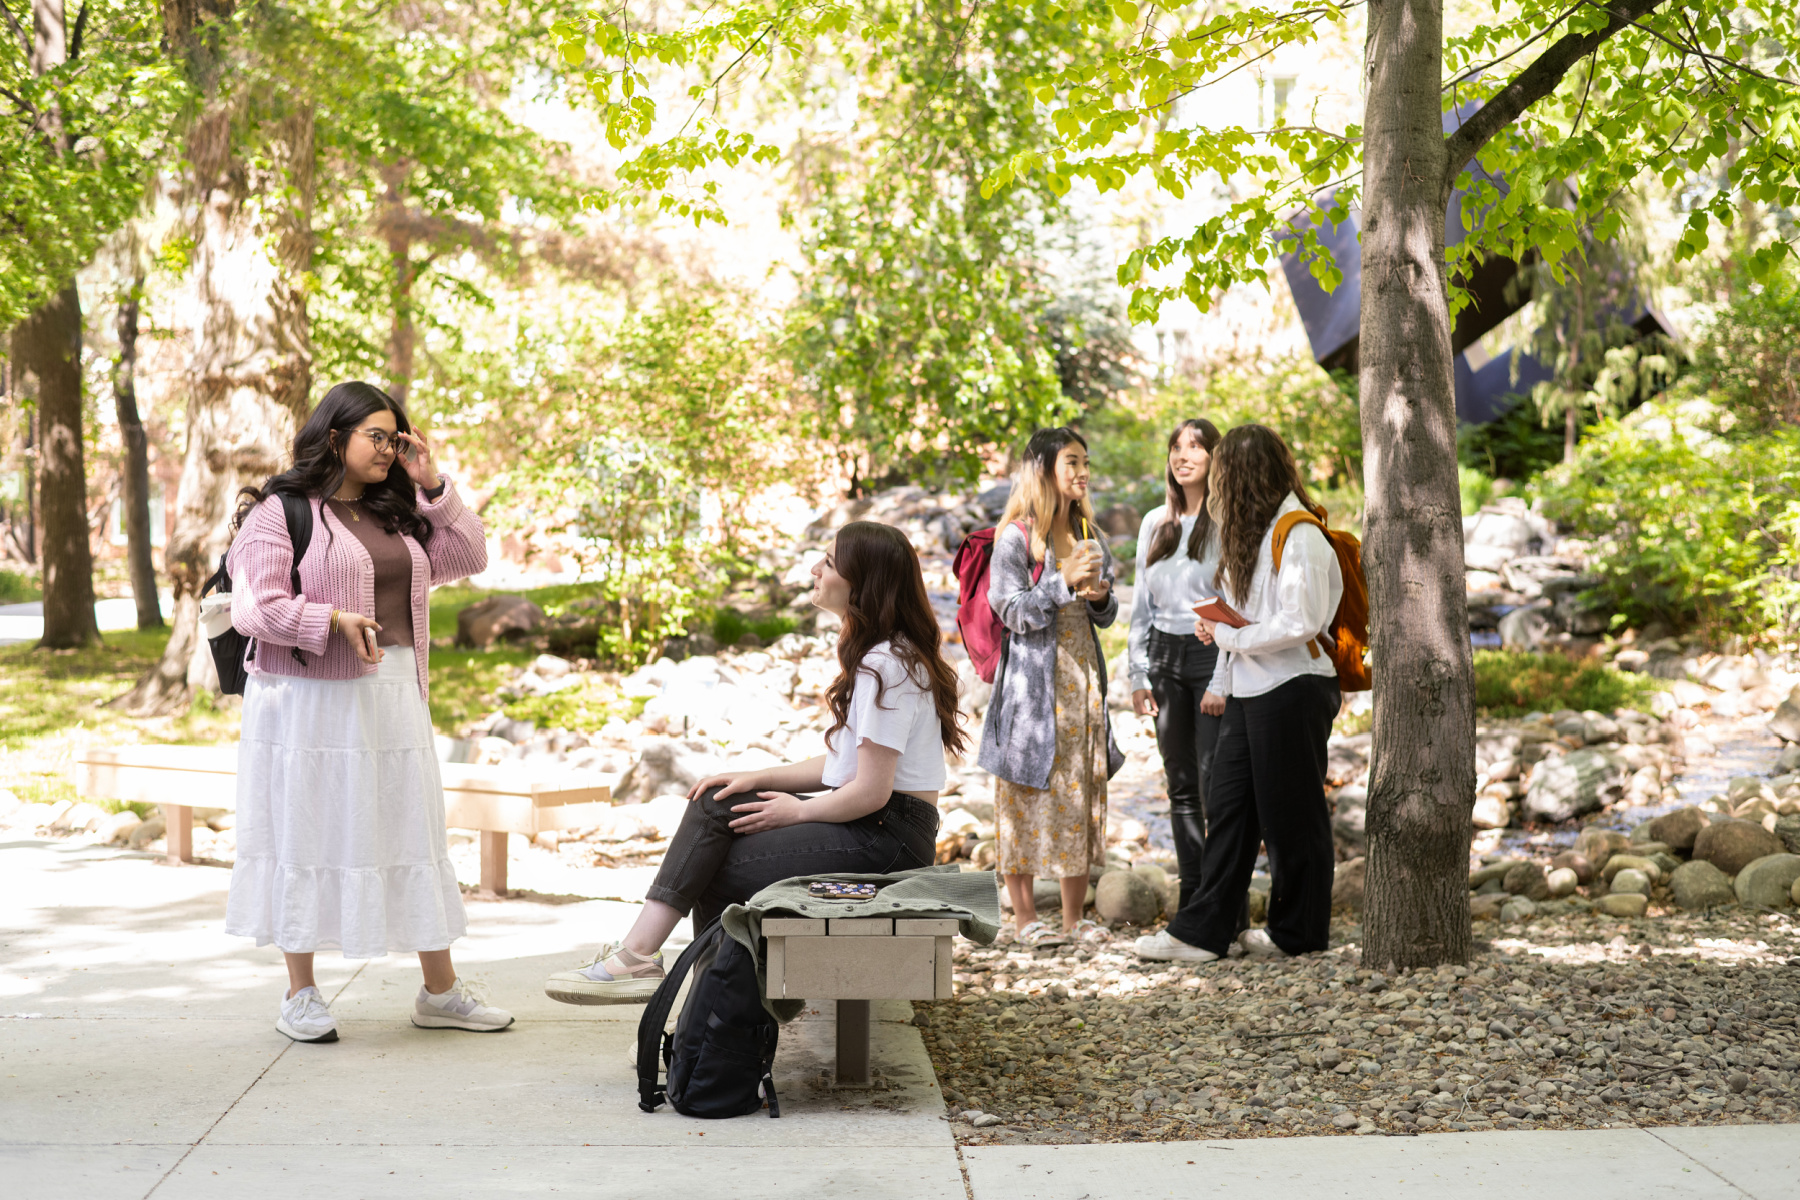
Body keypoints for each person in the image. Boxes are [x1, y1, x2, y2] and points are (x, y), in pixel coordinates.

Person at [544, 520, 959, 1003]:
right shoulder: (887, 656)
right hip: (881, 827)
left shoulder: (884, 665)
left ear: (861, 582)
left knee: (715, 867)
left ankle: (695, 1011)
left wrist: (798, 810)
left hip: (888, 840)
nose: (814, 569)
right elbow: (843, 765)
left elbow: (870, 790)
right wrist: (755, 776)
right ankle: (664, 983)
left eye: (827, 562)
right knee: (718, 800)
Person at [225, 380, 513, 1043]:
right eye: (376, 437)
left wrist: (433, 484)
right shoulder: (282, 511)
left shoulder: (395, 508)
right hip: (306, 702)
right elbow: (254, 607)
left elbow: (468, 554)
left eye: (396, 437)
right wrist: (327, 618)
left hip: (392, 693)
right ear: (336, 438)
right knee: (305, 831)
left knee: (410, 827)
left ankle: (439, 991)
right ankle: (301, 993)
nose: (389, 448)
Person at [1135, 423, 1343, 965]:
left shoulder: (1299, 534)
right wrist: (1223, 668)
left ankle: (1299, 934)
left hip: (1294, 688)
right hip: (1252, 689)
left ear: (1246, 476)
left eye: (1224, 471)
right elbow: (1247, 618)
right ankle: (1203, 932)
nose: (1218, 484)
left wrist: (1229, 635)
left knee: (1292, 816)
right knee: (1228, 810)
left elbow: (1301, 621)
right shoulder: (1251, 533)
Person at [978, 426, 1122, 948]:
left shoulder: (1088, 531)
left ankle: (1072, 919)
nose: (1082, 472)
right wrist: (1062, 581)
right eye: (1071, 462)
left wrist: (1101, 596)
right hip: (1031, 689)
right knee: (1024, 794)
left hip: (1081, 682)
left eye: (1085, 461)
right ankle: (1023, 920)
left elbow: (1104, 615)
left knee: (1076, 794)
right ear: (1043, 469)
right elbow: (1012, 611)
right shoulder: (1017, 537)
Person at [1127, 418, 1232, 913]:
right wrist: (1137, 672)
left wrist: (1221, 678)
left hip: (1212, 653)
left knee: (1216, 784)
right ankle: (1193, 897)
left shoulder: (1227, 520)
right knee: (1181, 785)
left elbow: (1234, 603)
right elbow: (1141, 606)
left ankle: (1225, 900)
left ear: (1215, 457)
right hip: (1165, 657)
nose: (1182, 455)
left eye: (1195, 446)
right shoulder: (1154, 522)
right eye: (1175, 447)